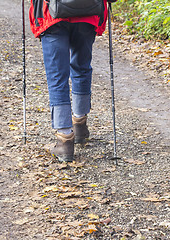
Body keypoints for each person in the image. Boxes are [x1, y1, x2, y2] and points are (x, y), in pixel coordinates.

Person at [29, 0, 116, 162]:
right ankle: (79, 123)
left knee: (57, 75)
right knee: (82, 67)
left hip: (51, 15)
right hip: (88, 12)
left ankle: (64, 139)